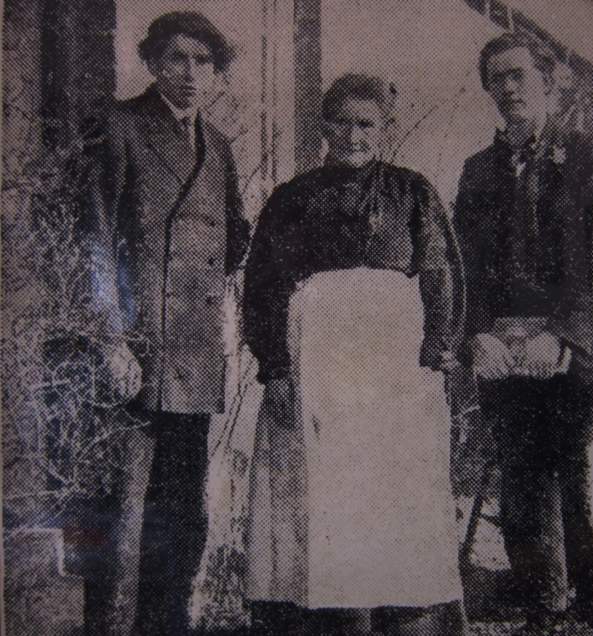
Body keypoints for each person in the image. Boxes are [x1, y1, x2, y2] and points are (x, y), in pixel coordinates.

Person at [243, 73, 466, 636]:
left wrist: (437, 353)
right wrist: (276, 367)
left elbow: (440, 273)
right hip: (316, 361)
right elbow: (264, 286)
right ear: (324, 126)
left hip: (395, 365)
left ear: (385, 129)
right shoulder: (292, 198)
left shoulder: (412, 192)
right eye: (341, 122)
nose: (353, 135)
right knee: (329, 491)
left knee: (393, 489)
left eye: (366, 124)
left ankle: (407, 613)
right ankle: (338, 613)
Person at [453, 33, 593, 636]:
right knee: (523, 504)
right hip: (508, 362)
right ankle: (543, 617)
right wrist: (475, 337)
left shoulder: (591, 156)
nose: (509, 88)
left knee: (589, 506)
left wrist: (563, 335)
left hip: (581, 361)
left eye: (519, 75)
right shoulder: (478, 170)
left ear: (547, 81)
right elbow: (464, 269)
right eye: (497, 79)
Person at [77, 11, 249, 635]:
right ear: (151, 62)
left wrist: (220, 306)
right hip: (135, 351)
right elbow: (94, 240)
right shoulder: (120, 127)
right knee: (120, 509)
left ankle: (166, 626)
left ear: (217, 74)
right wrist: (111, 338)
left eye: (204, 62)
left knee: (182, 510)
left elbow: (233, 236)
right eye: (177, 58)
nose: (190, 73)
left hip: (194, 352)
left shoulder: (219, 146)